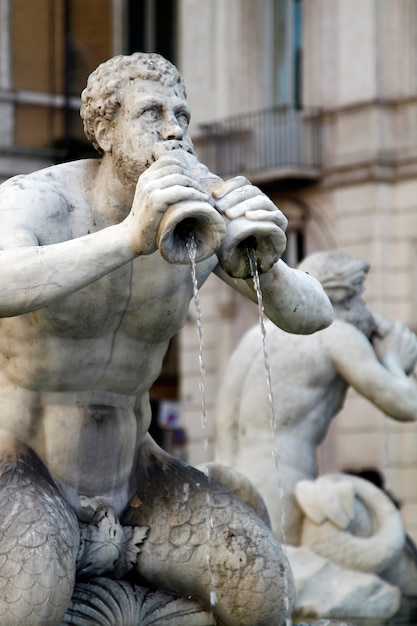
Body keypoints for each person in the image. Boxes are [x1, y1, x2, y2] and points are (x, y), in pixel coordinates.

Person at [0, 52, 333, 626]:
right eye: (151, 113)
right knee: (32, 601)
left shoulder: (196, 212)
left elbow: (314, 316)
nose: (174, 128)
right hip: (22, 464)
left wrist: (268, 262)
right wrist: (130, 237)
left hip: (136, 478)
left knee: (262, 589)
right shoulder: (42, 201)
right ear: (104, 130)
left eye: (181, 113)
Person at [215, 249, 417, 545]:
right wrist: (393, 362)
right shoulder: (334, 333)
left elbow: (224, 419)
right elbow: (406, 405)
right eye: (358, 295)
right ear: (343, 297)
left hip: (229, 479)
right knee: (292, 578)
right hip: (282, 479)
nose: (363, 307)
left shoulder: (255, 336)